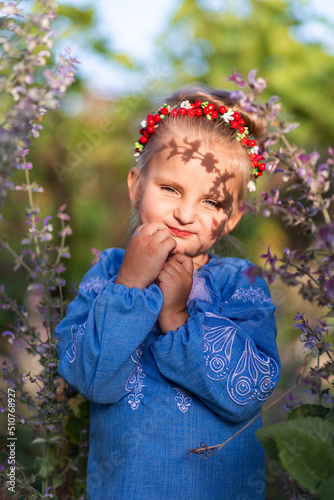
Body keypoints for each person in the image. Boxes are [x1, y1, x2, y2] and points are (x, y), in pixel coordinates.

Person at [55, 85, 280, 500]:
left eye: (211, 201)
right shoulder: (108, 272)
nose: (184, 212)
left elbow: (247, 392)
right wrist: (130, 285)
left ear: (231, 217)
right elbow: (91, 380)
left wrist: (178, 319)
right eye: (171, 189)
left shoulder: (240, 283)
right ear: (136, 185)